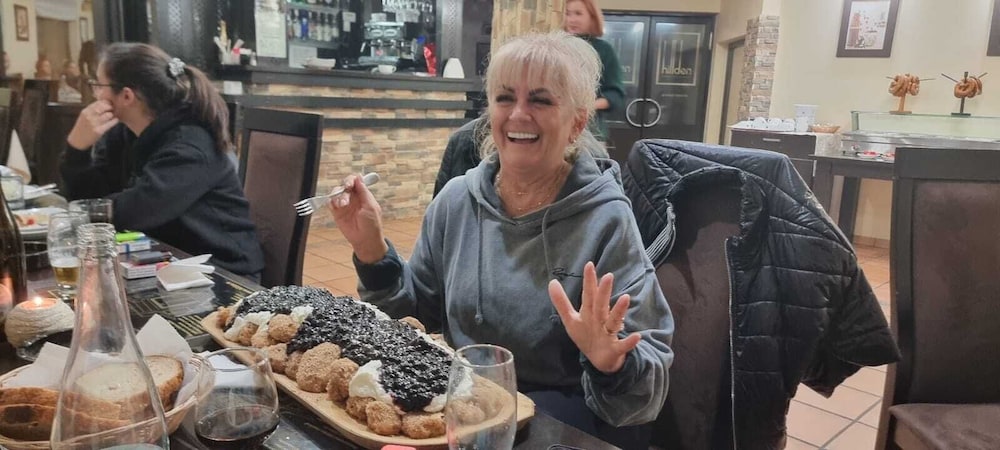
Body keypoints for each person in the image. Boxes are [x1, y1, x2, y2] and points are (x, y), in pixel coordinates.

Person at [330, 32, 672, 449]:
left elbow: (646, 391)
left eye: (540, 101)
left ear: (577, 123)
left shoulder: (607, 219)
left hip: (561, 417)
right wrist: (371, 250)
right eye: (505, 98)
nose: (519, 114)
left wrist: (611, 363)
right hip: (466, 407)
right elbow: (412, 319)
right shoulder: (456, 200)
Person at [59, 43, 264, 278]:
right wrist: (77, 150)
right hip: (167, 264)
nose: (95, 94)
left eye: (98, 85)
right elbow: (92, 197)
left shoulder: (189, 146)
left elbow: (131, 213)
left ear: (126, 96)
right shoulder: (124, 134)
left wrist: (80, 213)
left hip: (222, 273)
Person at [563, 0, 625, 143]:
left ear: (592, 17)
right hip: (556, 130)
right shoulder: (556, 46)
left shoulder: (604, 50)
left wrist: (587, 107)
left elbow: (615, 95)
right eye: (568, 14)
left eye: (578, 13)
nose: (572, 19)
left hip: (590, 134)